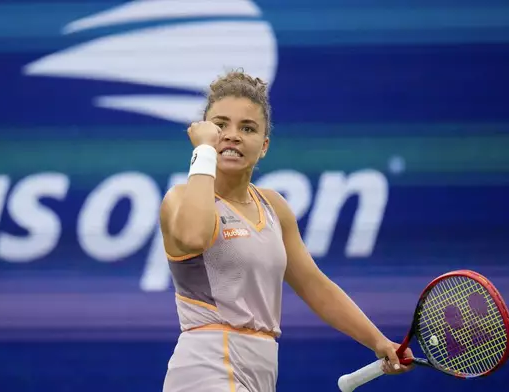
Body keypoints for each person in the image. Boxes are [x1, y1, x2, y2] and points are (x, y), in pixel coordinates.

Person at [159, 70, 413, 392]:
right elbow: (194, 235)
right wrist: (205, 152)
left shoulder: (274, 207)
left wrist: (379, 342)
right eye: (220, 125)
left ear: (263, 146)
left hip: (260, 371)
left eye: (247, 128)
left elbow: (314, 284)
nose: (232, 135)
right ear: (203, 132)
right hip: (206, 369)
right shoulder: (180, 198)